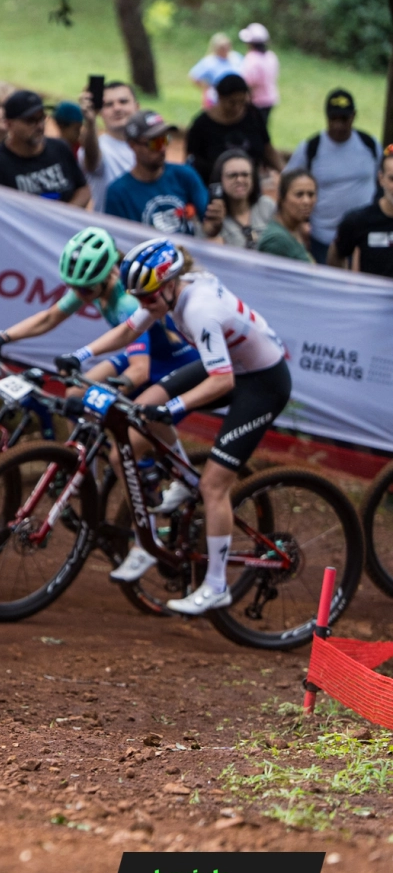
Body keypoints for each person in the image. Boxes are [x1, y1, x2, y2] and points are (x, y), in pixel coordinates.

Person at [63, 239, 290, 615]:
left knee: (214, 484)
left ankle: (216, 585)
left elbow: (222, 383)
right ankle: (185, 478)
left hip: (261, 382)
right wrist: (81, 355)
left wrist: (175, 407)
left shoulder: (199, 308)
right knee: (142, 406)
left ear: (169, 284)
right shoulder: (166, 291)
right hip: (233, 364)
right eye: (137, 297)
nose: (143, 305)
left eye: (148, 297)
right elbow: (127, 331)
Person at [0, 228, 198, 398]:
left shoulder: (128, 303)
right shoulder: (91, 288)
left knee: (128, 432)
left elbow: (140, 371)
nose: (78, 295)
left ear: (107, 275)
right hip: (150, 354)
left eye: (84, 289)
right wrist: (1, 338)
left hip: (175, 362)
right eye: (73, 288)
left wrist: (101, 394)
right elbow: (50, 317)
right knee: (74, 394)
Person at [284, 89, 380, 263]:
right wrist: (299, 222)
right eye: (333, 119)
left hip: (363, 237)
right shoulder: (311, 147)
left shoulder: (370, 145)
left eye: (344, 119)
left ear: (354, 116)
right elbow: (287, 184)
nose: (338, 125)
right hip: (323, 238)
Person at [103, 110, 208, 236]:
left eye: (165, 139)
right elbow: (120, 243)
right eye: (155, 143)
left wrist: (215, 223)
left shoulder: (185, 175)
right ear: (133, 145)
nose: (163, 148)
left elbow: (209, 225)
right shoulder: (118, 193)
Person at [0, 89, 90, 205]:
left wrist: (64, 215)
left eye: (42, 118)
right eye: (30, 120)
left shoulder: (60, 148)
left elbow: (83, 189)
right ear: (9, 124)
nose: (39, 126)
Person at [184, 73, 280, 185]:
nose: (237, 107)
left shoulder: (253, 115)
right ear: (220, 97)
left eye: (242, 102)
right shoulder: (201, 124)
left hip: (249, 185)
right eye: (232, 102)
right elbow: (190, 160)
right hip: (213, 186)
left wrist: (284, 172)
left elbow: (267, 148)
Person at [330, 151, 393, 277]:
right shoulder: (358, 221)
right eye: (392, 179)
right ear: (381, 179)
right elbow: (336, 255)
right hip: (371, 296)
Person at [78, 79, 138, 211]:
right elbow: (92, 160)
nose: (117, 108)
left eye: (123, 102)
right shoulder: (98, 147)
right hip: (112, 228)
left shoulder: (149, 145)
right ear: (99, 111)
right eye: (108, 104)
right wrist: (90, 120)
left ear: (137, 106)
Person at [200, 149, 275, 250]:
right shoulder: (213, 215)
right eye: (232, 175)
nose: (239, 180)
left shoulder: (267, 206)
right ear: (219, 180)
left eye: (245, 175)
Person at [256, 169, 317, 263]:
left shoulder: (295, 229)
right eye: (299, 195)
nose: (306, 201)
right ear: (282, 198)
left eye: (311, 194)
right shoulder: (276, 241)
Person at [238, 23, 278, 127]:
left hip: (256, 102)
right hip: (269, 99)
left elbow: (248, 83)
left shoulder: (252, 59)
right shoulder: (271, 56)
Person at [188, 33, 241, 109]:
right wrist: (206, 88)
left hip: (236, 97)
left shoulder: (236, 57)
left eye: (227, 46)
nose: (225, 49)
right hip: (217, 99)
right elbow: (194, 76)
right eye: (222, 47)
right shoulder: (210, 62)